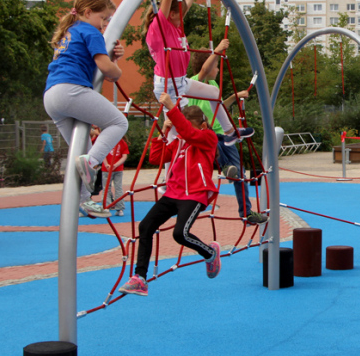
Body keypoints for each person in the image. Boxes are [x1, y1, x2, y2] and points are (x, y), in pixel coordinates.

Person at [143, 0, 252, 146]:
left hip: (181, 81)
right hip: (168, 86)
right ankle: (172, 170)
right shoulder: (160, 27)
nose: (183, 16)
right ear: (171, 14)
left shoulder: (176, 27)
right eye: (180, 13)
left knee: (213, 93)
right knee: (182, 128)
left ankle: (229, 132)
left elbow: (188, 0)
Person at [118, 93, 222, 297]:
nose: (184, 132)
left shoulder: (208, 138)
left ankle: (209, 253)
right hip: (173, 193)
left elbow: (190, 134)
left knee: (180, 234)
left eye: (187, 127)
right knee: (145, 226)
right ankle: (140, 278)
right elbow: (156, 157)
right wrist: (164, 131)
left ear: (201, 126)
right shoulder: (179, 143)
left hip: (194, 194)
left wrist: (171, 108)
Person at [43, 0, 128, 218]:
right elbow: (107, 70)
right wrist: (117, 68)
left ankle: (84, 201)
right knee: (119, 123)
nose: (106, 24)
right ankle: (91, 163)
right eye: (104, 18)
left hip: (52, 95)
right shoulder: (91, 31)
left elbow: (89, 64)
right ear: (88, 12)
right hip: (71, 90)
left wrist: (112, 57)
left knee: (80, 150)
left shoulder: (69, 32)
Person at [189, 39, 267, 225]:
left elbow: (220, 109)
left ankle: (246, 213)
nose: (217, 69)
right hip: (205, 134)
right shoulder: (193, 83)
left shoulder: (214, 86)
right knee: (215, 146)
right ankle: (224, 166)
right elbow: (203, 72)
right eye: (216, 65)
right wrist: (216, 51)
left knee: (240, 172)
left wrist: (235, 96)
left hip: (222, 134)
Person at [102, 137, 129, 216]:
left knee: (106, 188)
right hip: (117, 168)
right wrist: (116, 165)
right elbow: (124, 156)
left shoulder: (106, 141)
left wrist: (107, 164)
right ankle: (120, 209)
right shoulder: (122, 142)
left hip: (107, 169)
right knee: (118, 188)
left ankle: (106, 208)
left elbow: (102, 154)